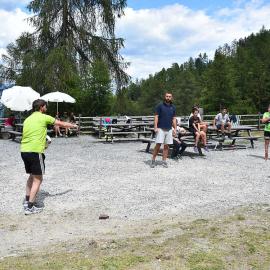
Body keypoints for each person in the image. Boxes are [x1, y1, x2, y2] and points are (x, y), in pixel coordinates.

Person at [21, 99, 78, 215]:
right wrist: (73, 125)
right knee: (38, 179)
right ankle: (30, 207)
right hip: (35, 151)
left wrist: (44, 143)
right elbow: (61, 123)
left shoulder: (27, 119)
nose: (46, 109)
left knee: (31, 176)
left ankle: (27, 201)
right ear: (41, 107)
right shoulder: (44, 117)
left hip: (24, 150)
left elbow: (31, 134)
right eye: (45, 107)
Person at [150, 92, 177, 168]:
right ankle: (153, 160)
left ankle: (164, 161)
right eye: (167, 96)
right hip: (161, 128)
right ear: (165, 97)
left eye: (170, 96)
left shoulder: (173, 107)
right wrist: (155, 127)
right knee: (158, 145)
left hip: (169, 129)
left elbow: (174, 119)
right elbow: (156, 117)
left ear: (171, 98)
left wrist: (175, 129)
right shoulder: (160, 106)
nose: (168, 97)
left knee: (166, 146)